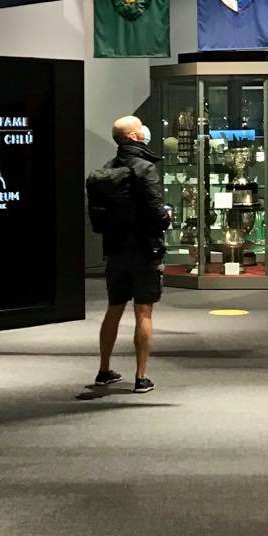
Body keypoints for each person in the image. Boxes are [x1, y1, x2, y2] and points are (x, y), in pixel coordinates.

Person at [86, 115, 171, 394]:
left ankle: (103, 370)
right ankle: (141, 376)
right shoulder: (145, 169)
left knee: (114, 309)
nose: (145, 130)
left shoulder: (107, 169)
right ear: (134, 137)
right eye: (140, 127)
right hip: (145, 250)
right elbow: (157, 213)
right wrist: (166, 216)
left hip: (114, 249)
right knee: (143, 312)